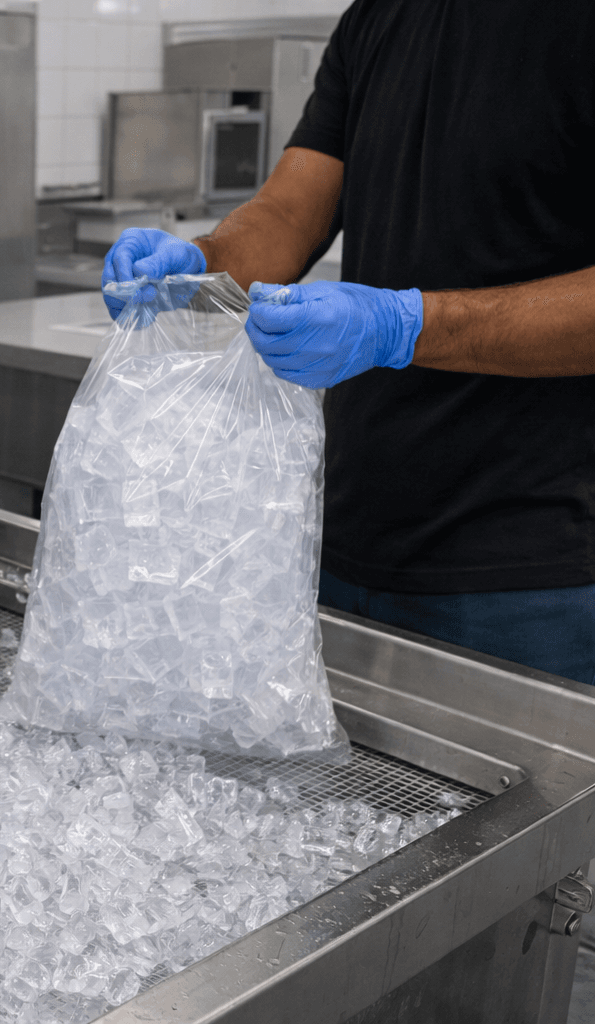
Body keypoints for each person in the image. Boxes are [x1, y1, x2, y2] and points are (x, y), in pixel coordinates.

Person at [101, 0, 595, 686]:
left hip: (531, 577)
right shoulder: (378, 16)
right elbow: (288, 211)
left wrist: (404, 323)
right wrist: (201, 260)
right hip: (341, 536)